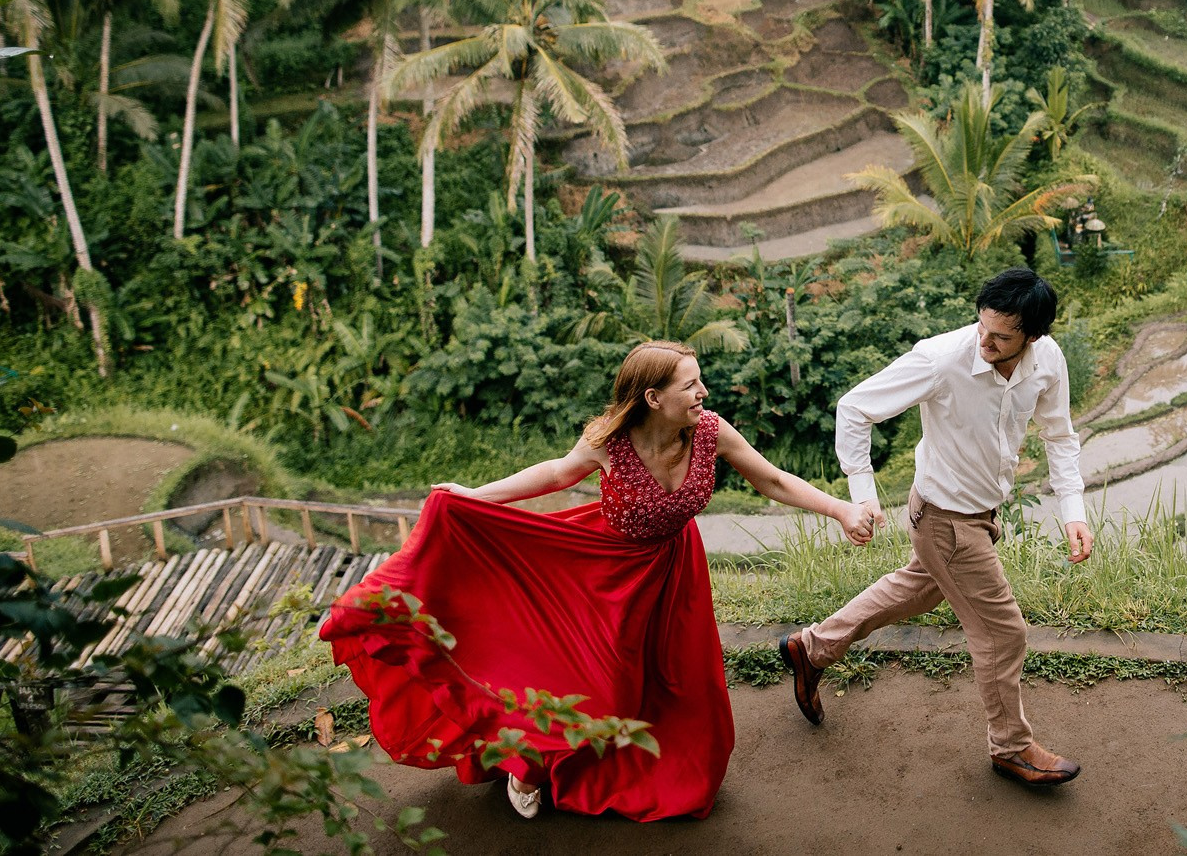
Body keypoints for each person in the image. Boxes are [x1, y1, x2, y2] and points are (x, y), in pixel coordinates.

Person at [319, 341, 878, 821]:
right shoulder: (610, 441)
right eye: (691, 385)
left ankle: (670, 775)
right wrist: (470, 496)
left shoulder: (709, 432)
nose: (704, 392)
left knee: (682, 688)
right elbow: (555, 474)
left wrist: (841, 511)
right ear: (654, 399)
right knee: (597, 687)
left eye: (701, 381)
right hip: (599, 572)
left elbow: (774, 480)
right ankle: (526, 768)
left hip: (674, 573)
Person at [776, 268, 1094, 787]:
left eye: (1002, 337)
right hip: (946, 521)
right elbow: (855, 408)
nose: (985, 342)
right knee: (1002, 633)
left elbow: (1059, 436)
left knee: (919, 589)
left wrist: (1073, 511)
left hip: (975, 514)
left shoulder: (1048, 361)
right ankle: (1012, 748)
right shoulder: (942, 358)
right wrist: (863, 497)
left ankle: (812, 647)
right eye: (982, 327)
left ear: (1032, 337)